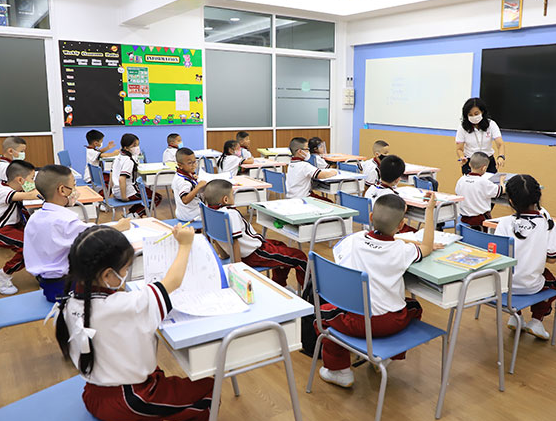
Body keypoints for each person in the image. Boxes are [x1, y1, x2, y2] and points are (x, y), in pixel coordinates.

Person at [54, 224, 214, 421]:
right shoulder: (124, 306)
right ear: (107, 274)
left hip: (94, 392)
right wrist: (185, 244)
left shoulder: (69, 301)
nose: (126, 273)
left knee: (157, 379)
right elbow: (173, 281)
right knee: (208, 391)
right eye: (125, 268)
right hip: (129, 398)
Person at [318, 192, 436, 387]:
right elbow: (427, 246)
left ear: (371, 217)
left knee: (322, 314)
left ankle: (339, 370)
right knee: (414, 307)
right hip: (391, 322)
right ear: (401, 225)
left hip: (356, 322)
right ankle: (388, 355)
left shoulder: (354, 240)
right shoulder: (402, 250)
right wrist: (429, 210)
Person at [25, 165, 130, 302]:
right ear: (62, 190)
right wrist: (119, 226)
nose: (75, 190)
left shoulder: (35, 217)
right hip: (65, 286)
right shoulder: (64, 221)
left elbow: (84, 230)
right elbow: (95, 234)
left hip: (47, 282)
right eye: (73, 186)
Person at [204, 179, 308, 289]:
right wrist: (239, 269)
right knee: (300, 257)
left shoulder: (211, 213)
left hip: (251, 249)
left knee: (281, 245)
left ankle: (280, 285)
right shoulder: (230, 214)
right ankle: (309, 295)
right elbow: (235, 242)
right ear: (225, 199)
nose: (233, 197)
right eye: (232, 195)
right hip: (254, 253)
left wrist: (225, 254)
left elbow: (215, 238)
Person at [494, 175, 556, 340]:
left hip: (503, 286)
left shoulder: (503, 223)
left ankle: (515, 315)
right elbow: (552, 258)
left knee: (513, 272)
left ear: (510, 201)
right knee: (551, 282)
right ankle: (536, 321)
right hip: (531, 286)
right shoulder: (547, 224)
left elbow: (497, 257)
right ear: (538, 198)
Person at [0, 160, 39, 294]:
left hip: (9, 226)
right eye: (32, 179)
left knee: (38, 238)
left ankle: (40, 270)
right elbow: (32, 195)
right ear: (20, 180)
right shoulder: (2, 192)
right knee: (28, 247)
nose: (33, 182)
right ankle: (2, 275)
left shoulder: (12, 189)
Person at [111, 133, 161, 217]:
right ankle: (134, 215)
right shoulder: (128, 161)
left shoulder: (118, 157)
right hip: (127, 192)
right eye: (134, 145)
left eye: (137, 144)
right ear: (126, 148)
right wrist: (124, 197)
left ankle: (132, 214)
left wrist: (113, 191)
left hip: (116, 191)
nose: (137, 147)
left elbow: (111, 174)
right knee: (156, 198)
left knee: (146, 194)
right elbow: (121, 179)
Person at [454, 151, 505, 231]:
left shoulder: (461, 180)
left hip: (464, 218)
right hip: (480, 221)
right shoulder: (484, 182)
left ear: (469, 164)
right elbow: (501, 190)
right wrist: (501, 180)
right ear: (484, 168)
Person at [456, 97, 506, 175]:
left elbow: (500, 144)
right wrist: (462, 157)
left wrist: (501, 157)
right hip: (470, 162)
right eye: (470, 115)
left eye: (476, 114)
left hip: (488, 162)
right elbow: (459, 149)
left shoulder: (491, 124)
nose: (474, 117)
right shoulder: (462, 128)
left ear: (482, 112)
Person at [172, 147, 208, 221]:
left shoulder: (180, 175)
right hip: (191, 215)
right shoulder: (183, 181)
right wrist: (198, 187)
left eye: (194, 162)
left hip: (183, 213)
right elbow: (185, 200)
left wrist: (194, 180)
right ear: (180, 165)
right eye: (189, 163)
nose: (194, 165)